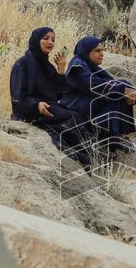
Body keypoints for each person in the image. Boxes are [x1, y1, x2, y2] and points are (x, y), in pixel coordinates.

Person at [9, 27, 92, 168]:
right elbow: (18, 96)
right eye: (46, 38)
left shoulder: (48, 67)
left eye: (53, 39)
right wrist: (36, 105)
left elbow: (59, 94)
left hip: (48, 109)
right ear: (36, 40)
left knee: (78, 115)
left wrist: (61, 70)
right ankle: (88, 157)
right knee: (71, 119)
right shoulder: (22, 64)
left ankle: (87, 158)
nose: (50, 42)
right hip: (28, 111)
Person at [60, 35, 136, 154]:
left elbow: (111, 83)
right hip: (73, 108)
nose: (102, 54)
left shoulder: (90, 66)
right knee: (116, 91)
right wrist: (123, 89)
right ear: (86, 51)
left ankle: (117, 135)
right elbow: (93, 85)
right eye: (97, 51)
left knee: (122, 86)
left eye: (102, 50)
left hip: (85, 104)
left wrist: (131, 91)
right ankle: (110, 136)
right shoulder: (77, 67)